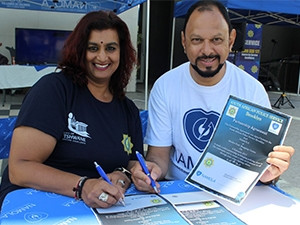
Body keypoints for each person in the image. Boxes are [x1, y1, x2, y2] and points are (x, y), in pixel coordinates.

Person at [131, 0, 295, 193]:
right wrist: (152, 171)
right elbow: (159, 156)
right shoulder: (165, 86)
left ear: (231, 40)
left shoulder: (252, 90)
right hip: (177, 190)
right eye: (197, 40)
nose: (207, 51)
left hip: (231, 192)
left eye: (216, 40)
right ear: (184, 41)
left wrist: (269, 174)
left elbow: (260, 164)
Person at [0, 10, 144, 209]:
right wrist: (82, 185)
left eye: (111, 48)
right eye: (93, 48)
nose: (102, 57)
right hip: (35, 203)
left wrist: (125, 176)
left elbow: (130, 163)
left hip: (98, 207)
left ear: (122, 53)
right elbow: (19, 168)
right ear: (80, 50)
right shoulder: (54, 90)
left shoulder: (128, 109)